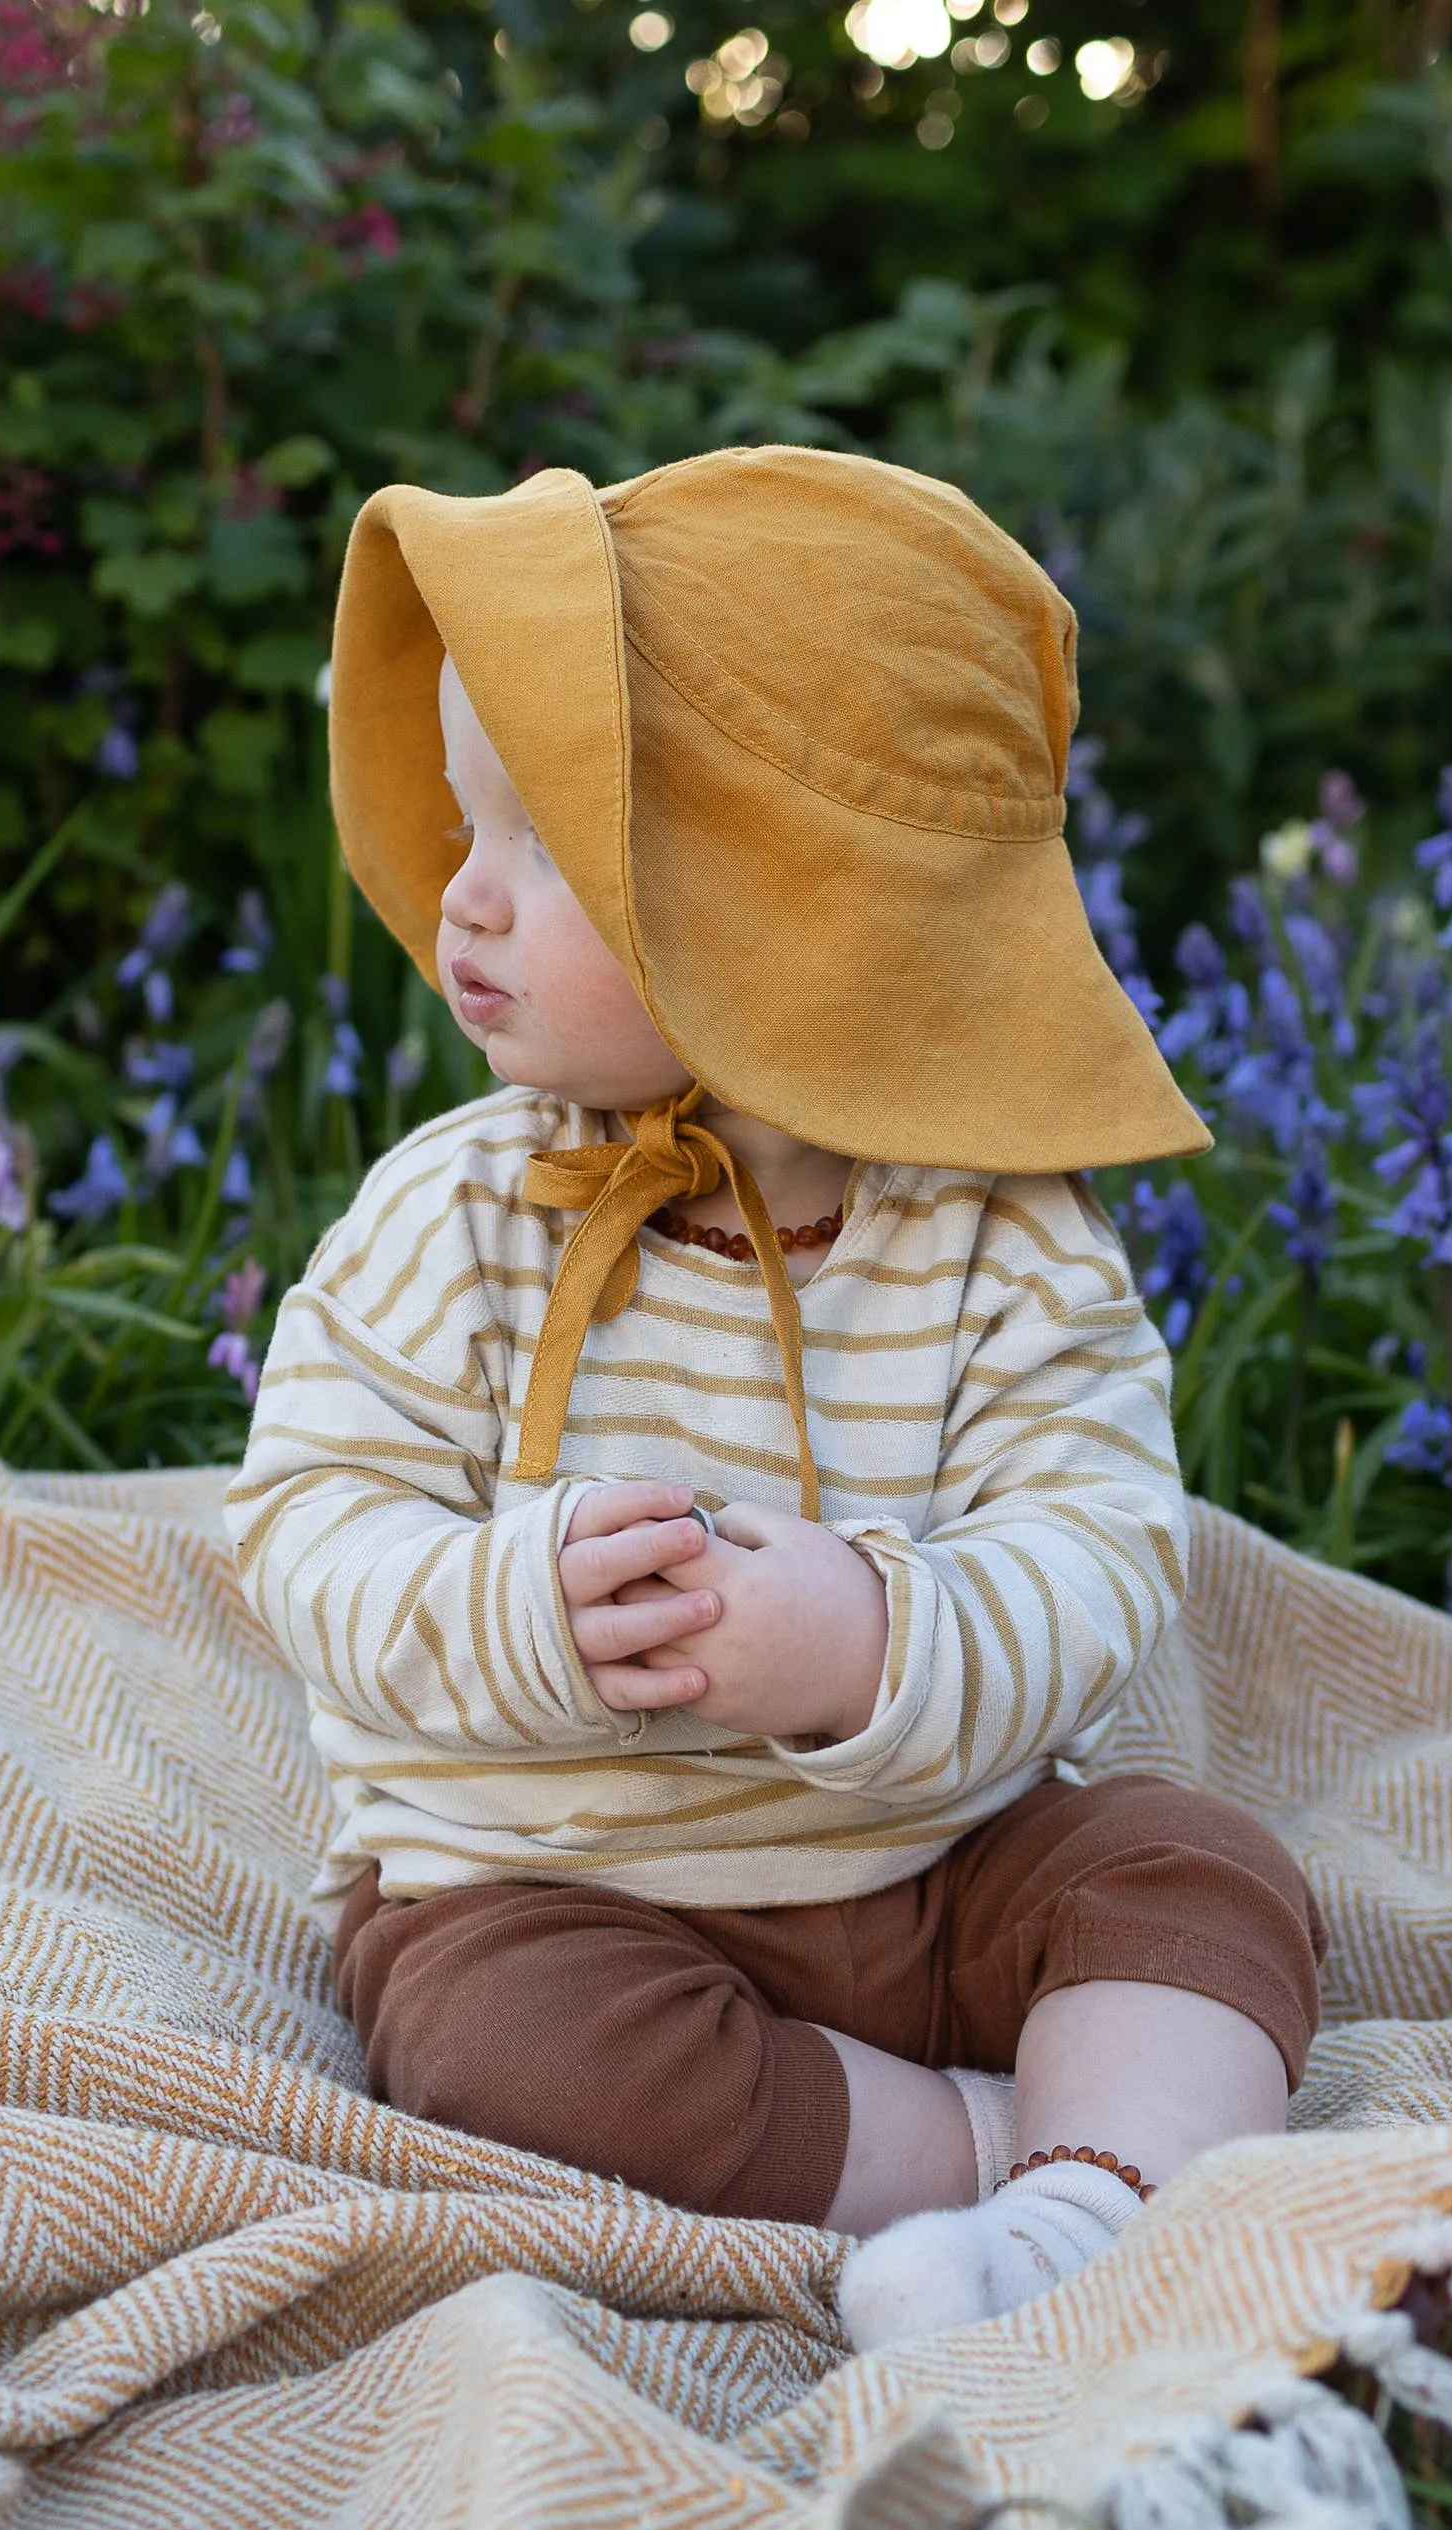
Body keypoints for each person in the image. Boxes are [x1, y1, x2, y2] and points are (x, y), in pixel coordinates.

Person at [225, 446, 1325, 2349]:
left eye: (535, 849)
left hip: (936, 1857)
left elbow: (1097, 1543)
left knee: (1198, 1880)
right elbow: (305, 1520)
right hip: (567, 1884)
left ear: (782, 906)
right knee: (504, 2054)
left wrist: (874, 1648)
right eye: (467, 835)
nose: (462, 907)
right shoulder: (462, 1212)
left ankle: (1081, 2203)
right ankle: (1020, 2171)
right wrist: (526, 1601)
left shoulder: (1004, 1244)